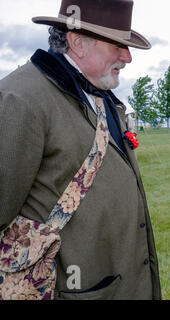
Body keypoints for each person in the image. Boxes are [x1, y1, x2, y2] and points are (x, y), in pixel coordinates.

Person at [0, 0, 161, 299]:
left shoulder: (101, 96)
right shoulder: (20, 99)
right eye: (118, 45)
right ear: (78, 42)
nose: (127, 57)